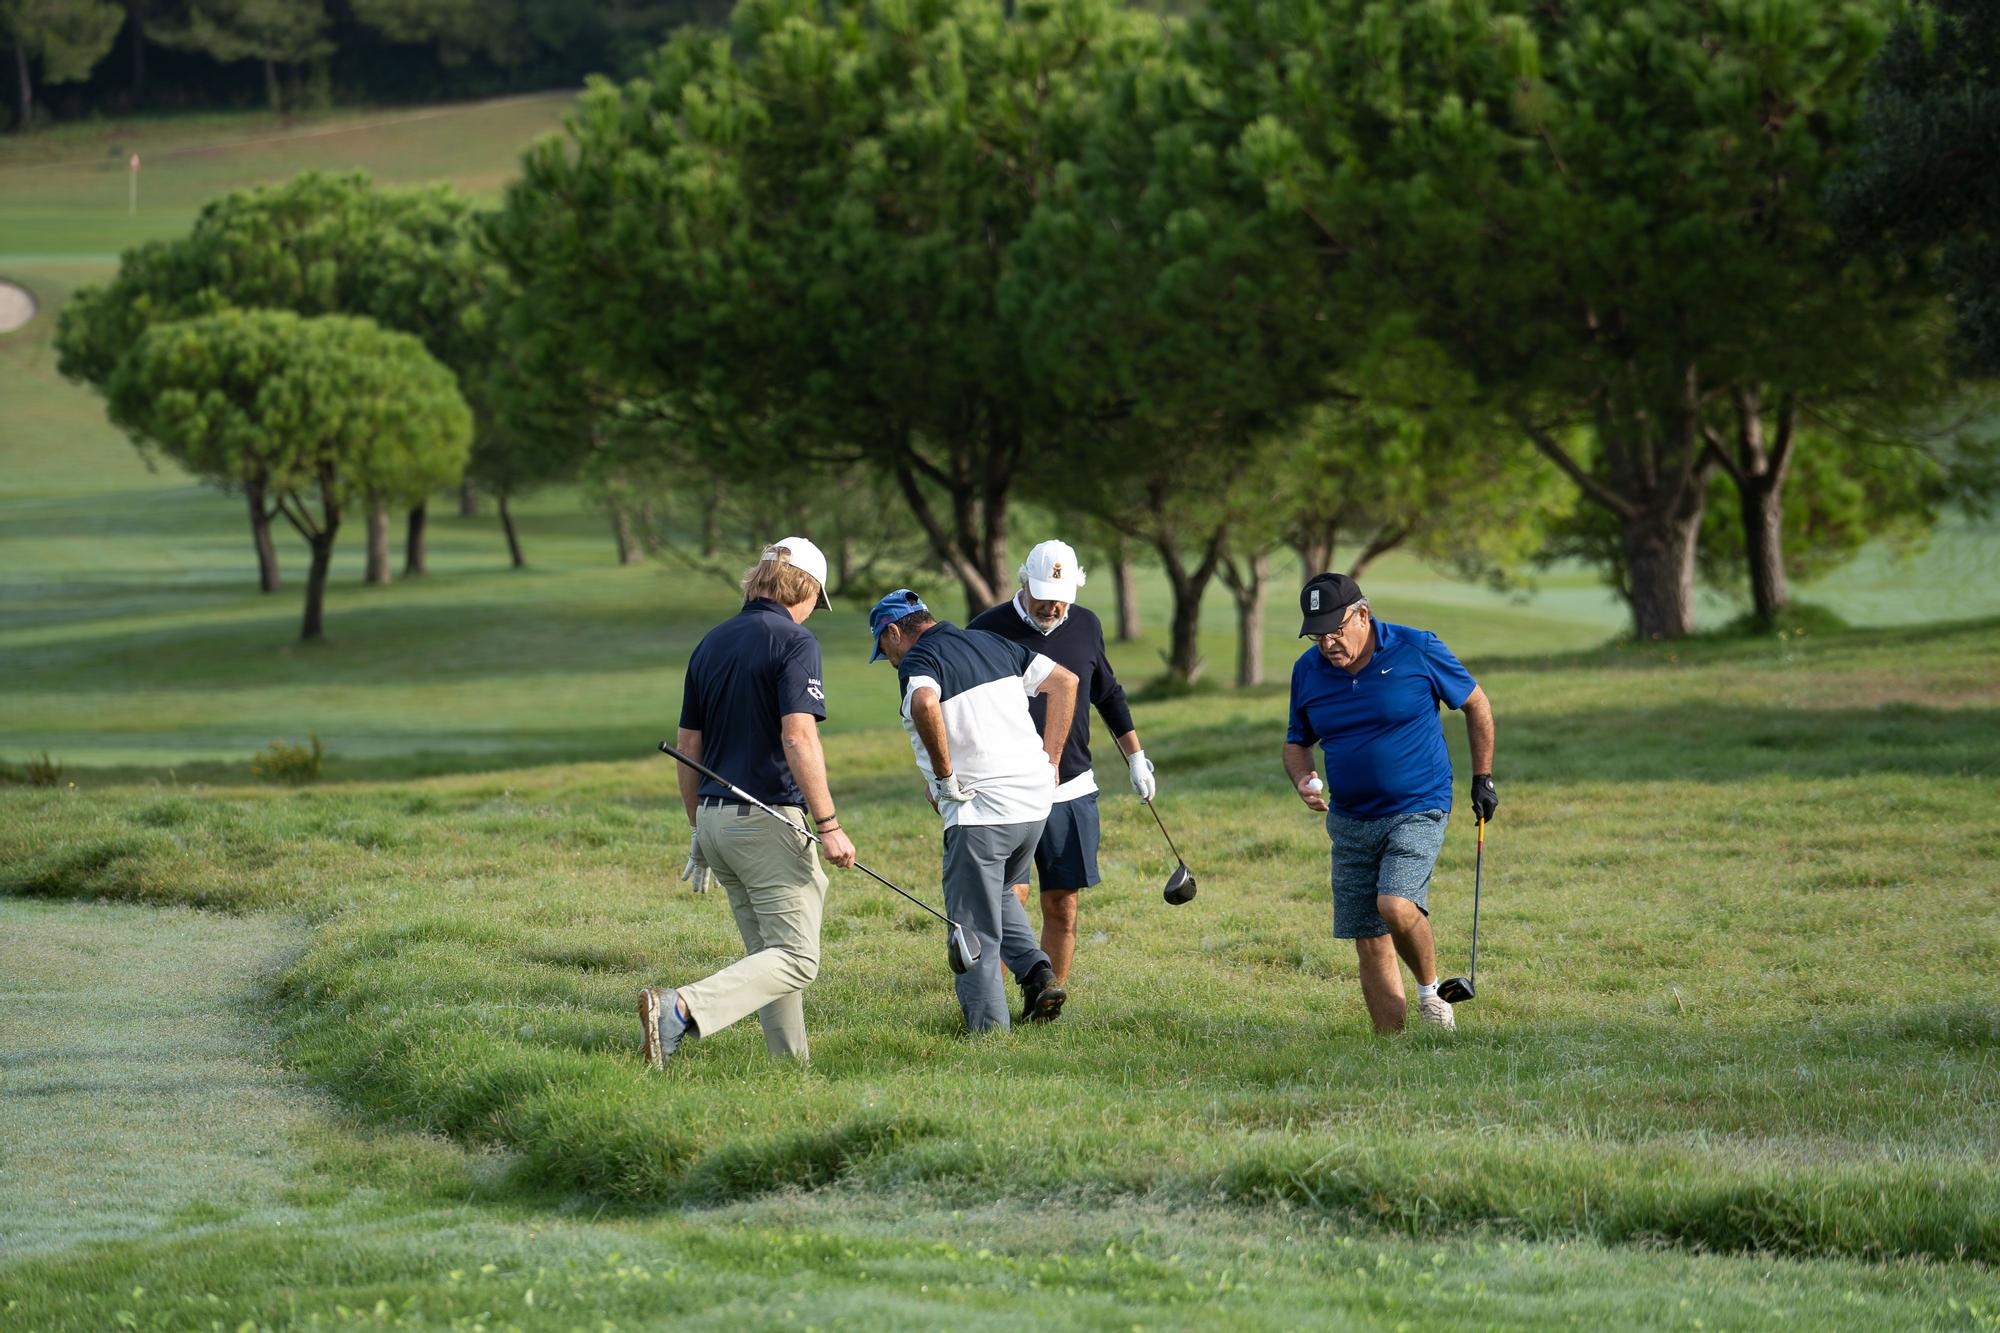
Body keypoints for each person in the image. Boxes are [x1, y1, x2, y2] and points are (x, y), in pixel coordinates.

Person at [640, 537, 858, 1070]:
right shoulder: (795, 640)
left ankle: (790, 1072)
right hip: (766, 822)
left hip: (715, 823)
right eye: (816, 601)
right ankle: (680, 1008)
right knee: (798, 959)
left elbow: (688, 747)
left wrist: (698, 829)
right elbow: (799, 737)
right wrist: (828, 824)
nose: (813, 613)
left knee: (771, 957)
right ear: (804, 588)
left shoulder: (711, 642)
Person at [1281, 572, 1497, 1034]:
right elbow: (1297, 741)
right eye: (1318, 635)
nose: (1328, 644)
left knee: (1395, 905)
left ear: (1363, 615)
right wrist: (1303, 778)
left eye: (1336, 630)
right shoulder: (1308, 670)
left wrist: (1483, 777)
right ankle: (1389, 1048)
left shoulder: (1416, 648)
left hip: (1418, 804)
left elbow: (1476, 704)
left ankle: (1432, 994)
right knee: (1368, 936)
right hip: (1350, 818)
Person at [869, 589, 1081, 1032]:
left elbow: (926, 704)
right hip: (1033, 804)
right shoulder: (990, 642)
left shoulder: (917, 660)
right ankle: (1038, 973)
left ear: (894, 632)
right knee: (1000, 891)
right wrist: (1052, 761)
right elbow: (1065, 682)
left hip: (983, 813)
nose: (887, 658)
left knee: (971, 928)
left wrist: (944, 779)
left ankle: (988, 1035)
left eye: (884, 647)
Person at [966, 540, 1154, 1009]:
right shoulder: (987, 629)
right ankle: (996, 997)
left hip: (1070, 787)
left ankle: (1045, 1000)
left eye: (1062, 595)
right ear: (1023, 582)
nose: (1053, 606)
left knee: (1062, 903)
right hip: (1003, 788)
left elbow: (1107, 692)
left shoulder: (1085, 624)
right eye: (1045, 593)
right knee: (1011, 896)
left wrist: (1135, 756)